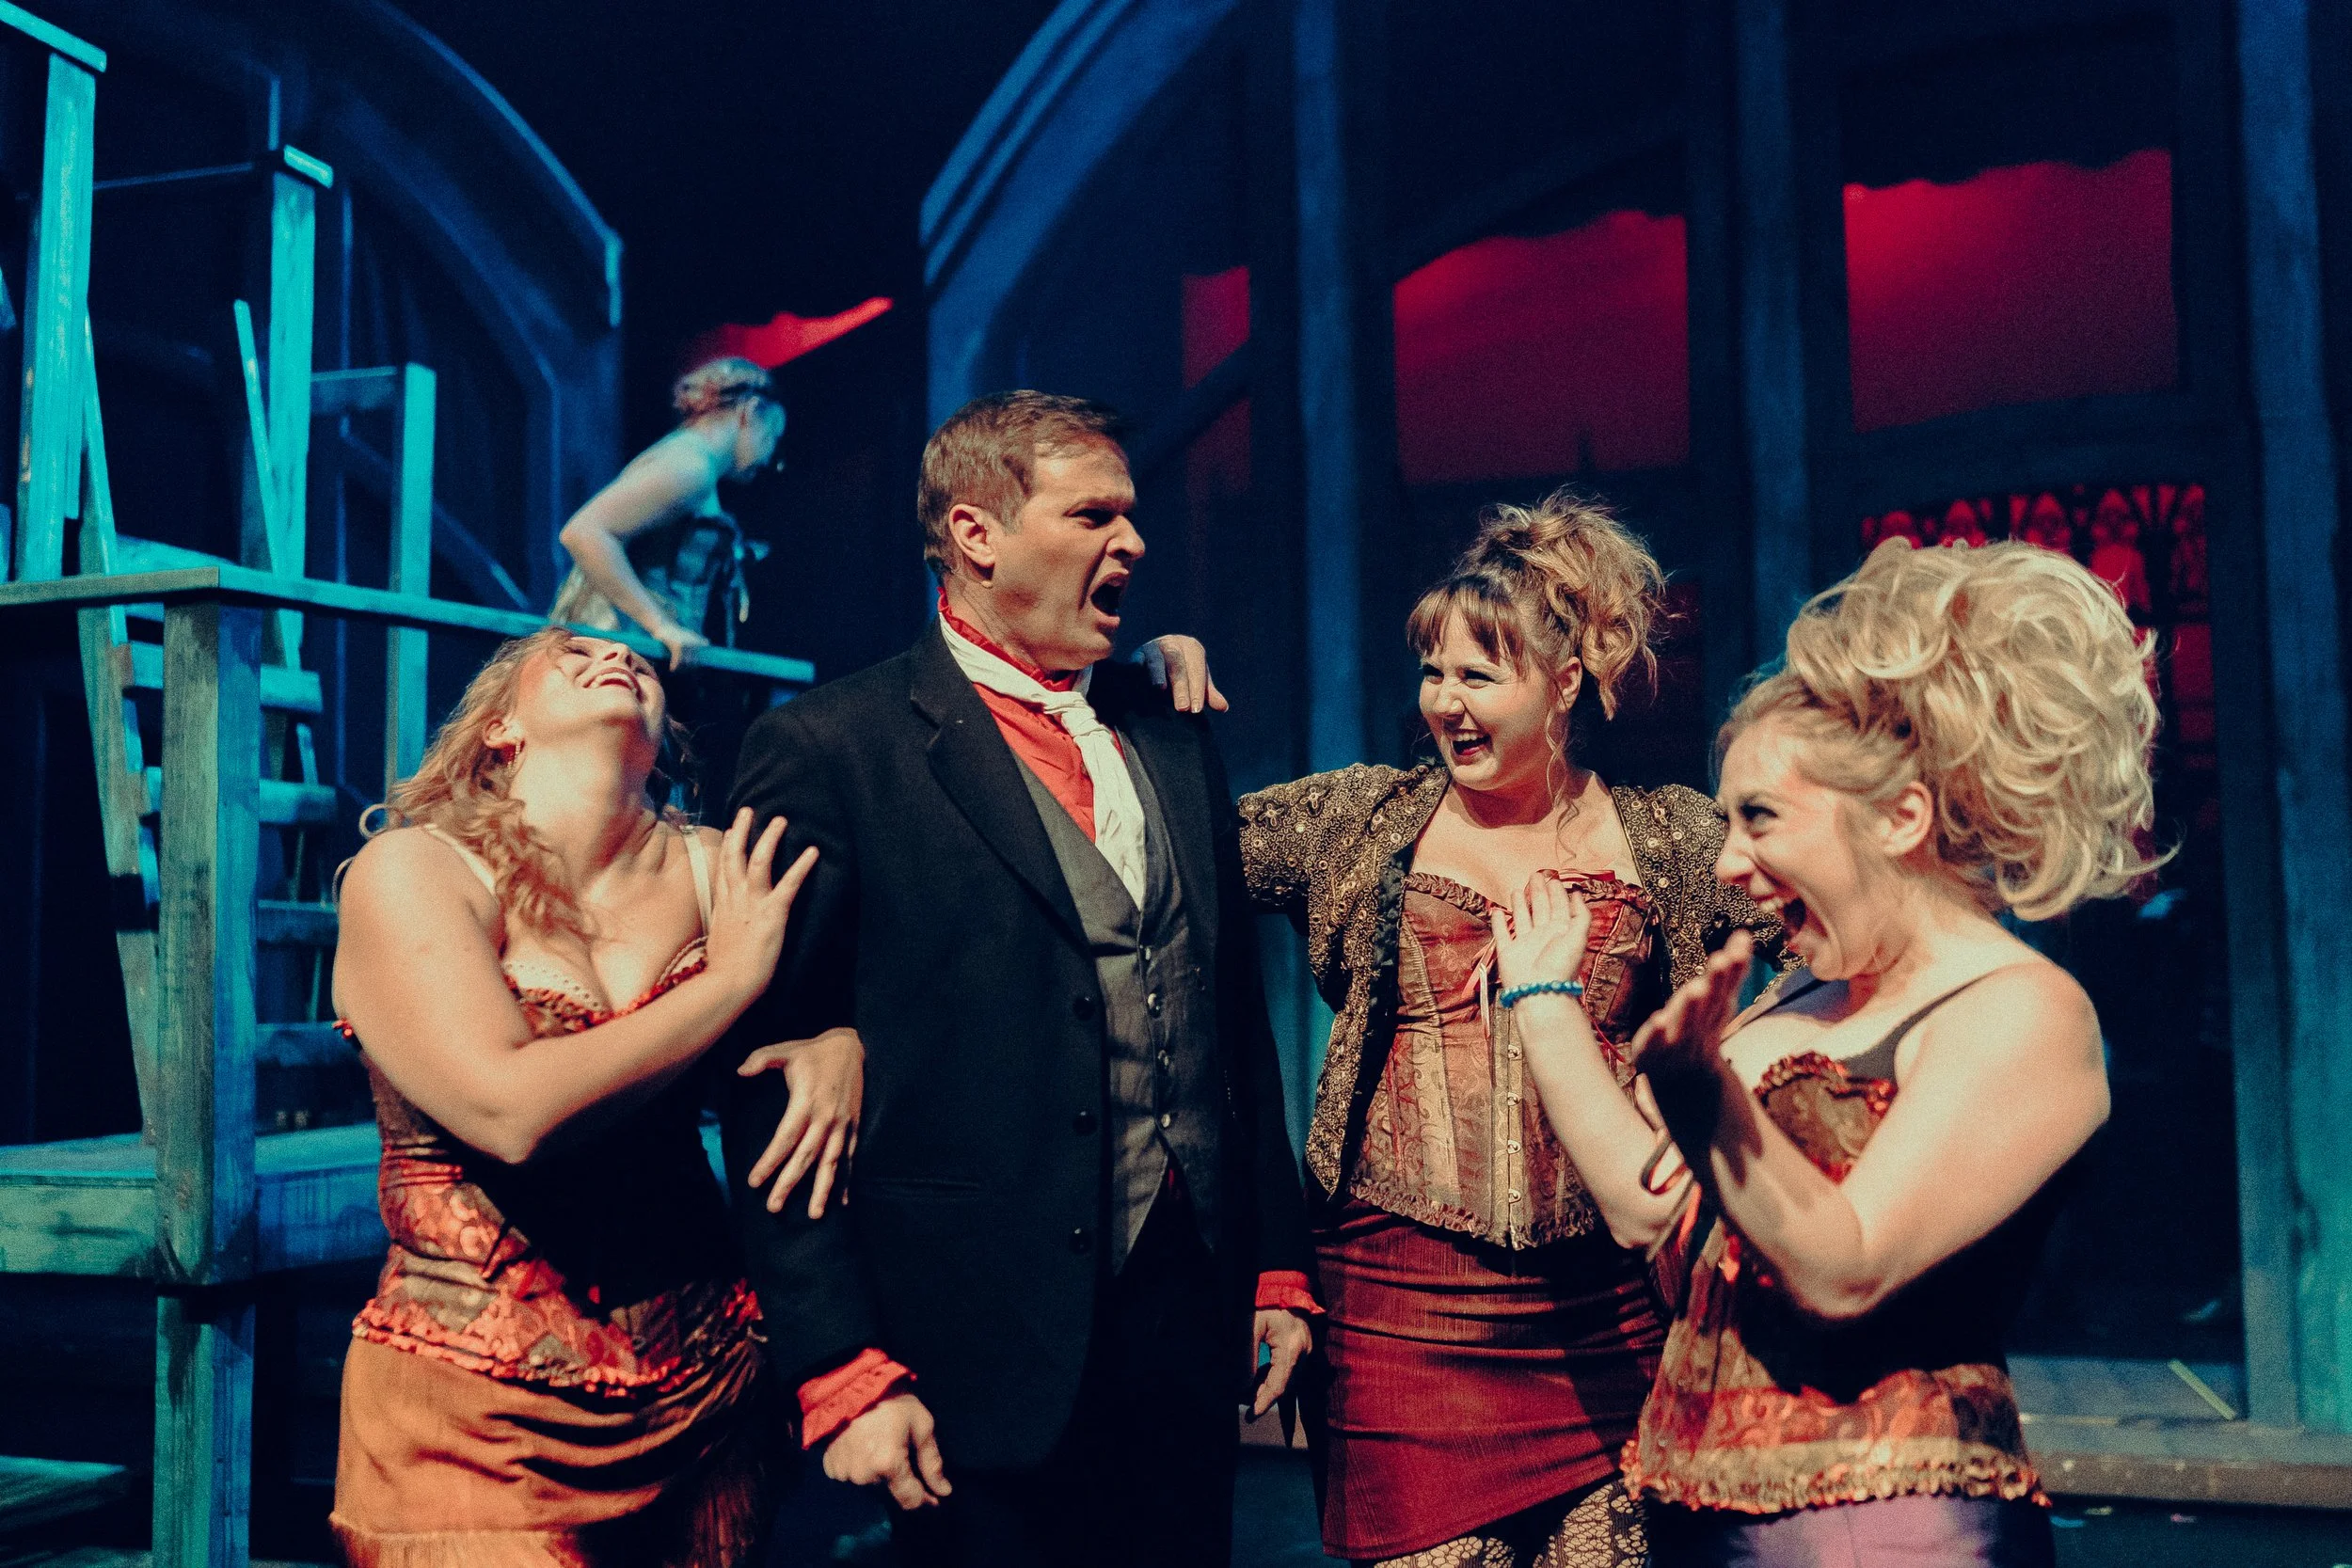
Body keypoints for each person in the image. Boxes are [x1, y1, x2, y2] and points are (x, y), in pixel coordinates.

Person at [719, 390, 1314, 1568]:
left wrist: (1276, 1263)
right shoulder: (834, 747)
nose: (1132, 541)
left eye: (1131, 514)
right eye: (1092, 513)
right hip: (968, 1344)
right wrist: (837, 1364)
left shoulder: (1169, 728)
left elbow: (1229, 1021)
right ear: (977, 532)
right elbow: (768, 1078)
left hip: (1182, 1323)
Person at [1232, 493, 1784, 1568]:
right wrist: (1144, 692)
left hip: (1607, 1315)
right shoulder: (1360, 817)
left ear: (1563, 683)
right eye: (1433, 673)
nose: (1445, 701)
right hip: (1398, 1311)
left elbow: (1835, 932)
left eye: (1477, 675)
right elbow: (1158, 847)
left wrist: (1705, 1075)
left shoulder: (1667, 834)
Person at [1612, 538, 2154, 1564]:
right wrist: (1547, 1001)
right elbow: (1643, 1212)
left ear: (1901, 817)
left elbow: (1847, 1265)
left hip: (1890, 1526)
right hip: (1699, 1516)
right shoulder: (1801, 989)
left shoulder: (2022, 1008)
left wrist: (1706, 1096)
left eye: (1759, 817)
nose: (1729, 862)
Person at [327, 625, 859, 1567]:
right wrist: (727, 985)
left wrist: (841, 1039)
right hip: (475, 1414)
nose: (618, 660)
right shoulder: (414, 868)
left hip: (709, 1389)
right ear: (499, 729)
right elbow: (509, 1108)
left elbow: (920, 963)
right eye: (570, 655)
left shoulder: (712, 868)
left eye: (641, 666)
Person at [551, 357, 786, 670]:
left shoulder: (692, 461)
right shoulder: (690, 465)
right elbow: (584, 532)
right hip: (610, 652)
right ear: (750, 411)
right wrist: (661, 625)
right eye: (772, 436)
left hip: (627, 655)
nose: (770, 456)